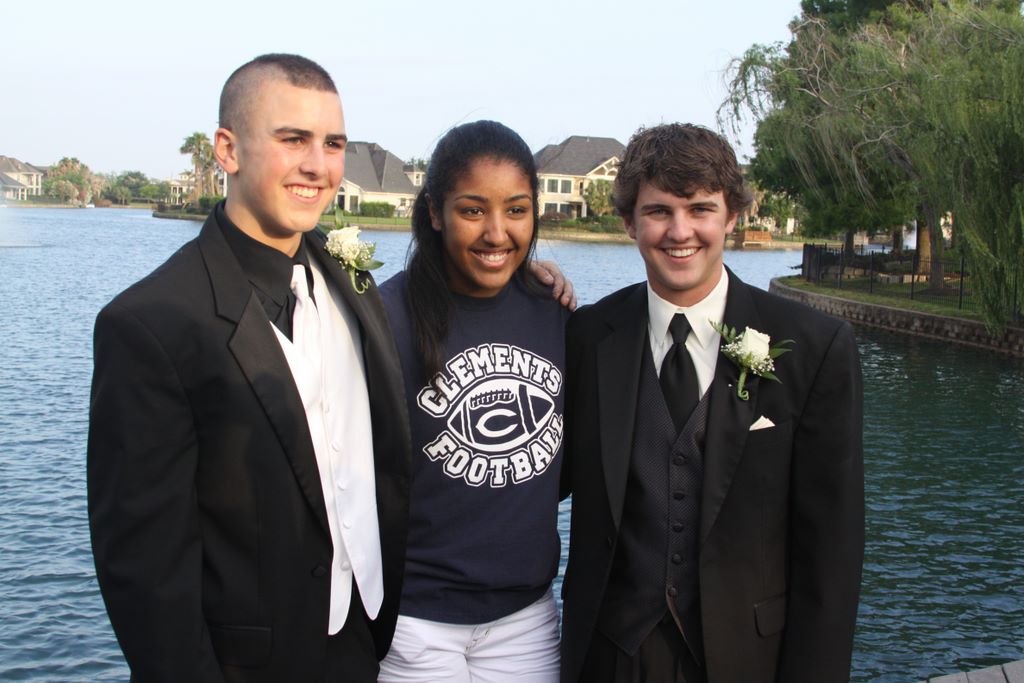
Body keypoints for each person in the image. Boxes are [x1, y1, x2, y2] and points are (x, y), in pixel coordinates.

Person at [87, 54, 411, 681]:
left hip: (361, 640)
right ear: (228, 150)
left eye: (333, 144)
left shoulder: (351, 277)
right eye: (293, 139)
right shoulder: (149, 324)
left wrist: (529, 277)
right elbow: (145, 567)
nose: (318, 165)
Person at [559, 123, 864, 683]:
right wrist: (516, 286)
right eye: (658, 211)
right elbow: (533, 475)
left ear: (732, 216)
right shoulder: (587, 337)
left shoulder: (814, 348)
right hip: (611, 655)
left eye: (700, 209)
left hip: (750, 660)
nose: (680, 232)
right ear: (629, 222)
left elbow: (832, 549)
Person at [377, 120, 568, 682]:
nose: (496, 233)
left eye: (516, 210)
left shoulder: (554, 311)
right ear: (435, 212)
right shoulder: (385, 318)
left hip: (525, 618)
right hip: (414, 621)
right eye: (472, 210)